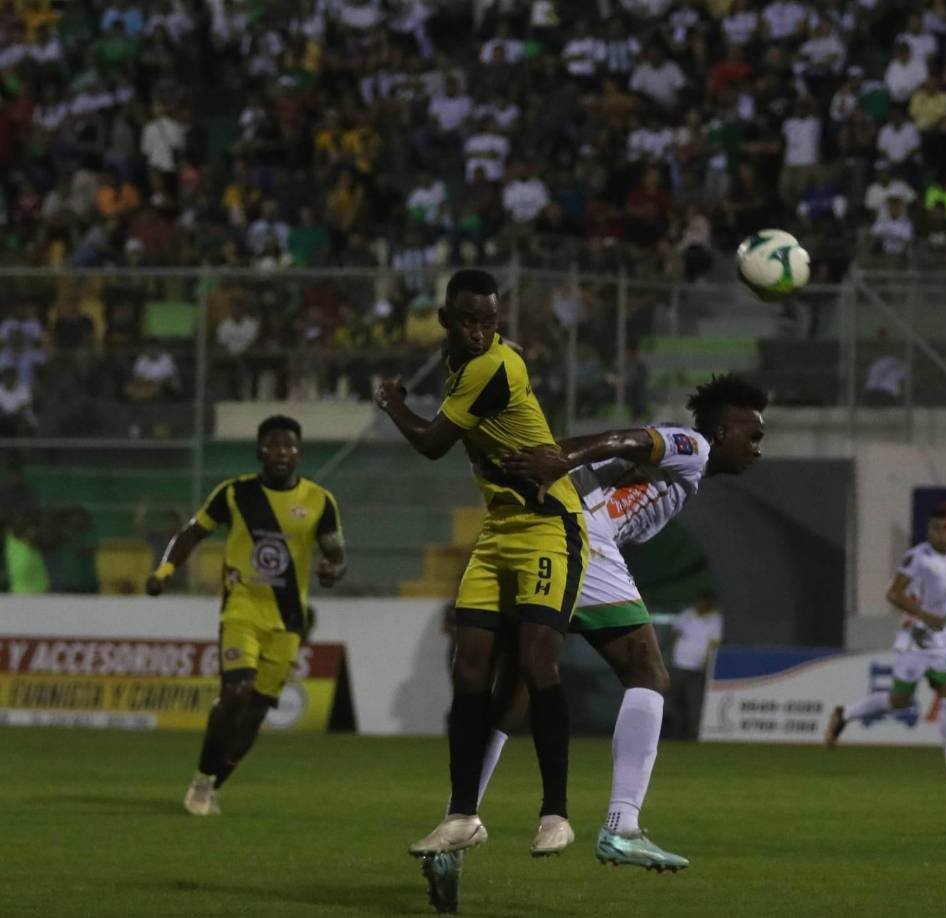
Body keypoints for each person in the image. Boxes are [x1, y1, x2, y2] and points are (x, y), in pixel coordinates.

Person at [421, 374, 766, 908]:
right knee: (648, 672)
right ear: (722, 433)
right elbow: (626, 438)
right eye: (753, 435)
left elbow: (622, 458)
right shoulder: (693, 447)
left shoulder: (686, 469)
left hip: (550, 538)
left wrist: (563, 463)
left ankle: (455, 830)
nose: (758, 448)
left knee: (510, 696)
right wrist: (560, 455)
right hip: (581, 541)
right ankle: (622, 824)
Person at [373, 269, 588, 862]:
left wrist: (393, 404)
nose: (479, 330)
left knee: (536, 658)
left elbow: (433, 443)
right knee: (468, 666)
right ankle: (462, 814)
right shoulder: (457, 361)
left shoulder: (493, 366)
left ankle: (555, 815)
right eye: (469, 319)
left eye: (489, 320)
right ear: (446, 318)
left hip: (549, 524)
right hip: (500, 528)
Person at [144, 415, 347, 815]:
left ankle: (213, 783)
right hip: (241, 610)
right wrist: (163, 572)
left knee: (254, 712)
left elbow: (336, 556)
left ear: (298, 452)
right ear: (259, 451)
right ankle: (203, 779)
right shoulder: (235, 494)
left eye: (288, 446)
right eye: (272, 446)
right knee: (236, 693)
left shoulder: (320, 501)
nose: (280, 453)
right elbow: (191, 534)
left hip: (289, 621)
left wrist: (332, 570)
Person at [825, 508, 946, 783]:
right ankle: (845, 714)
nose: (942, 533)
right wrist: (924, 616)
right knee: (899, 702)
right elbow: (894, 594)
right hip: (915, 640)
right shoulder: (918, 558)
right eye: (936, 528)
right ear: (929, 531)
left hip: (941, 642)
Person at [667, 589, 724, 741]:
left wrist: (706, 663)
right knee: (675, 700)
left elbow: (714, 644)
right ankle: (675, 732)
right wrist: (673, 653)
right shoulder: (686, 614)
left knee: (695, 702)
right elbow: (674, 634)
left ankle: (693, 735)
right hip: (679, 665)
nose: (702, 604)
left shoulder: (715, 619)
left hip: (698, 668)